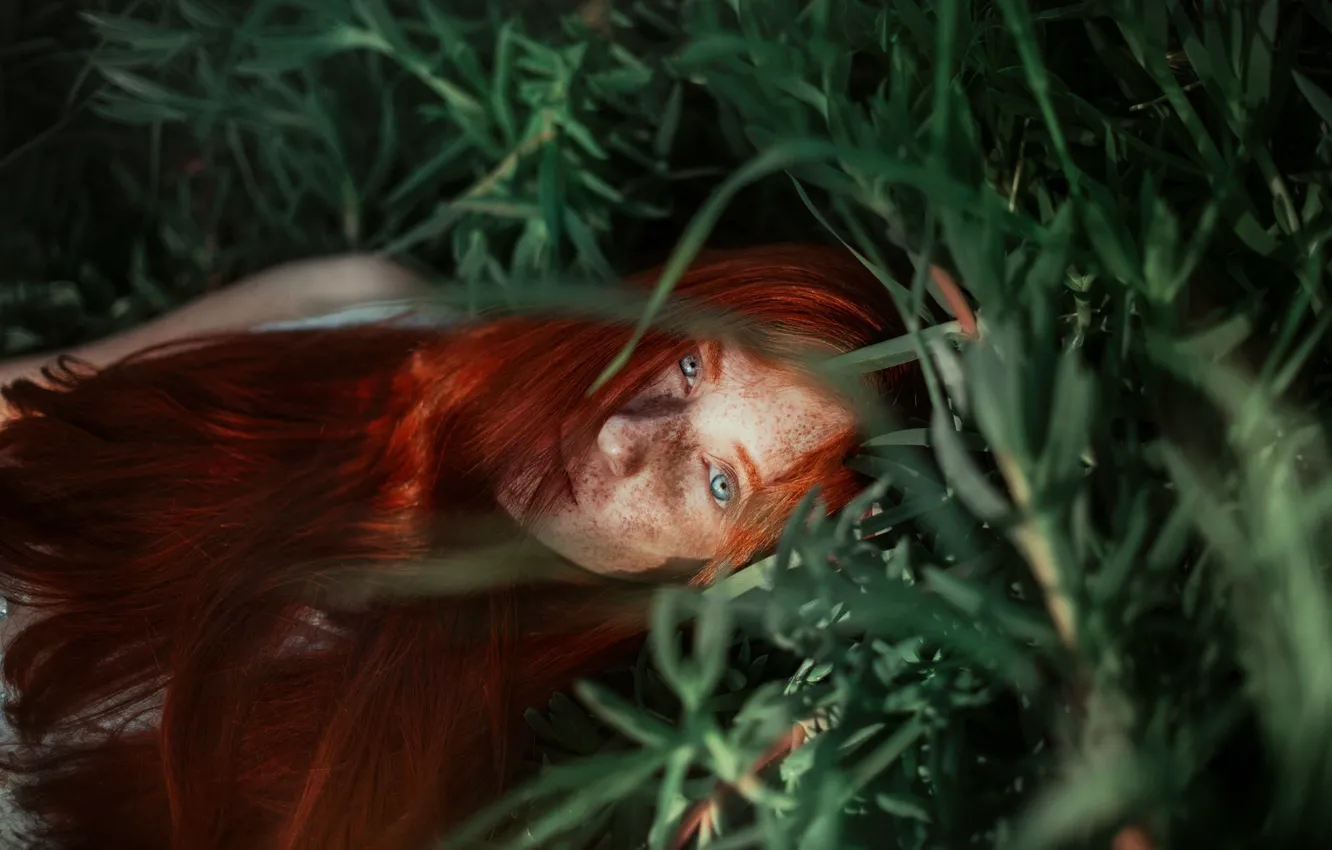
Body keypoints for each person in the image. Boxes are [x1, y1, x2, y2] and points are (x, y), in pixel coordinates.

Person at [0, 244, 922, 850]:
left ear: (720, 571)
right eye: (686, 366)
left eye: (718, 480)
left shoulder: (459, 780)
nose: (621, 438)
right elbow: (24, 403)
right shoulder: (359, 308)